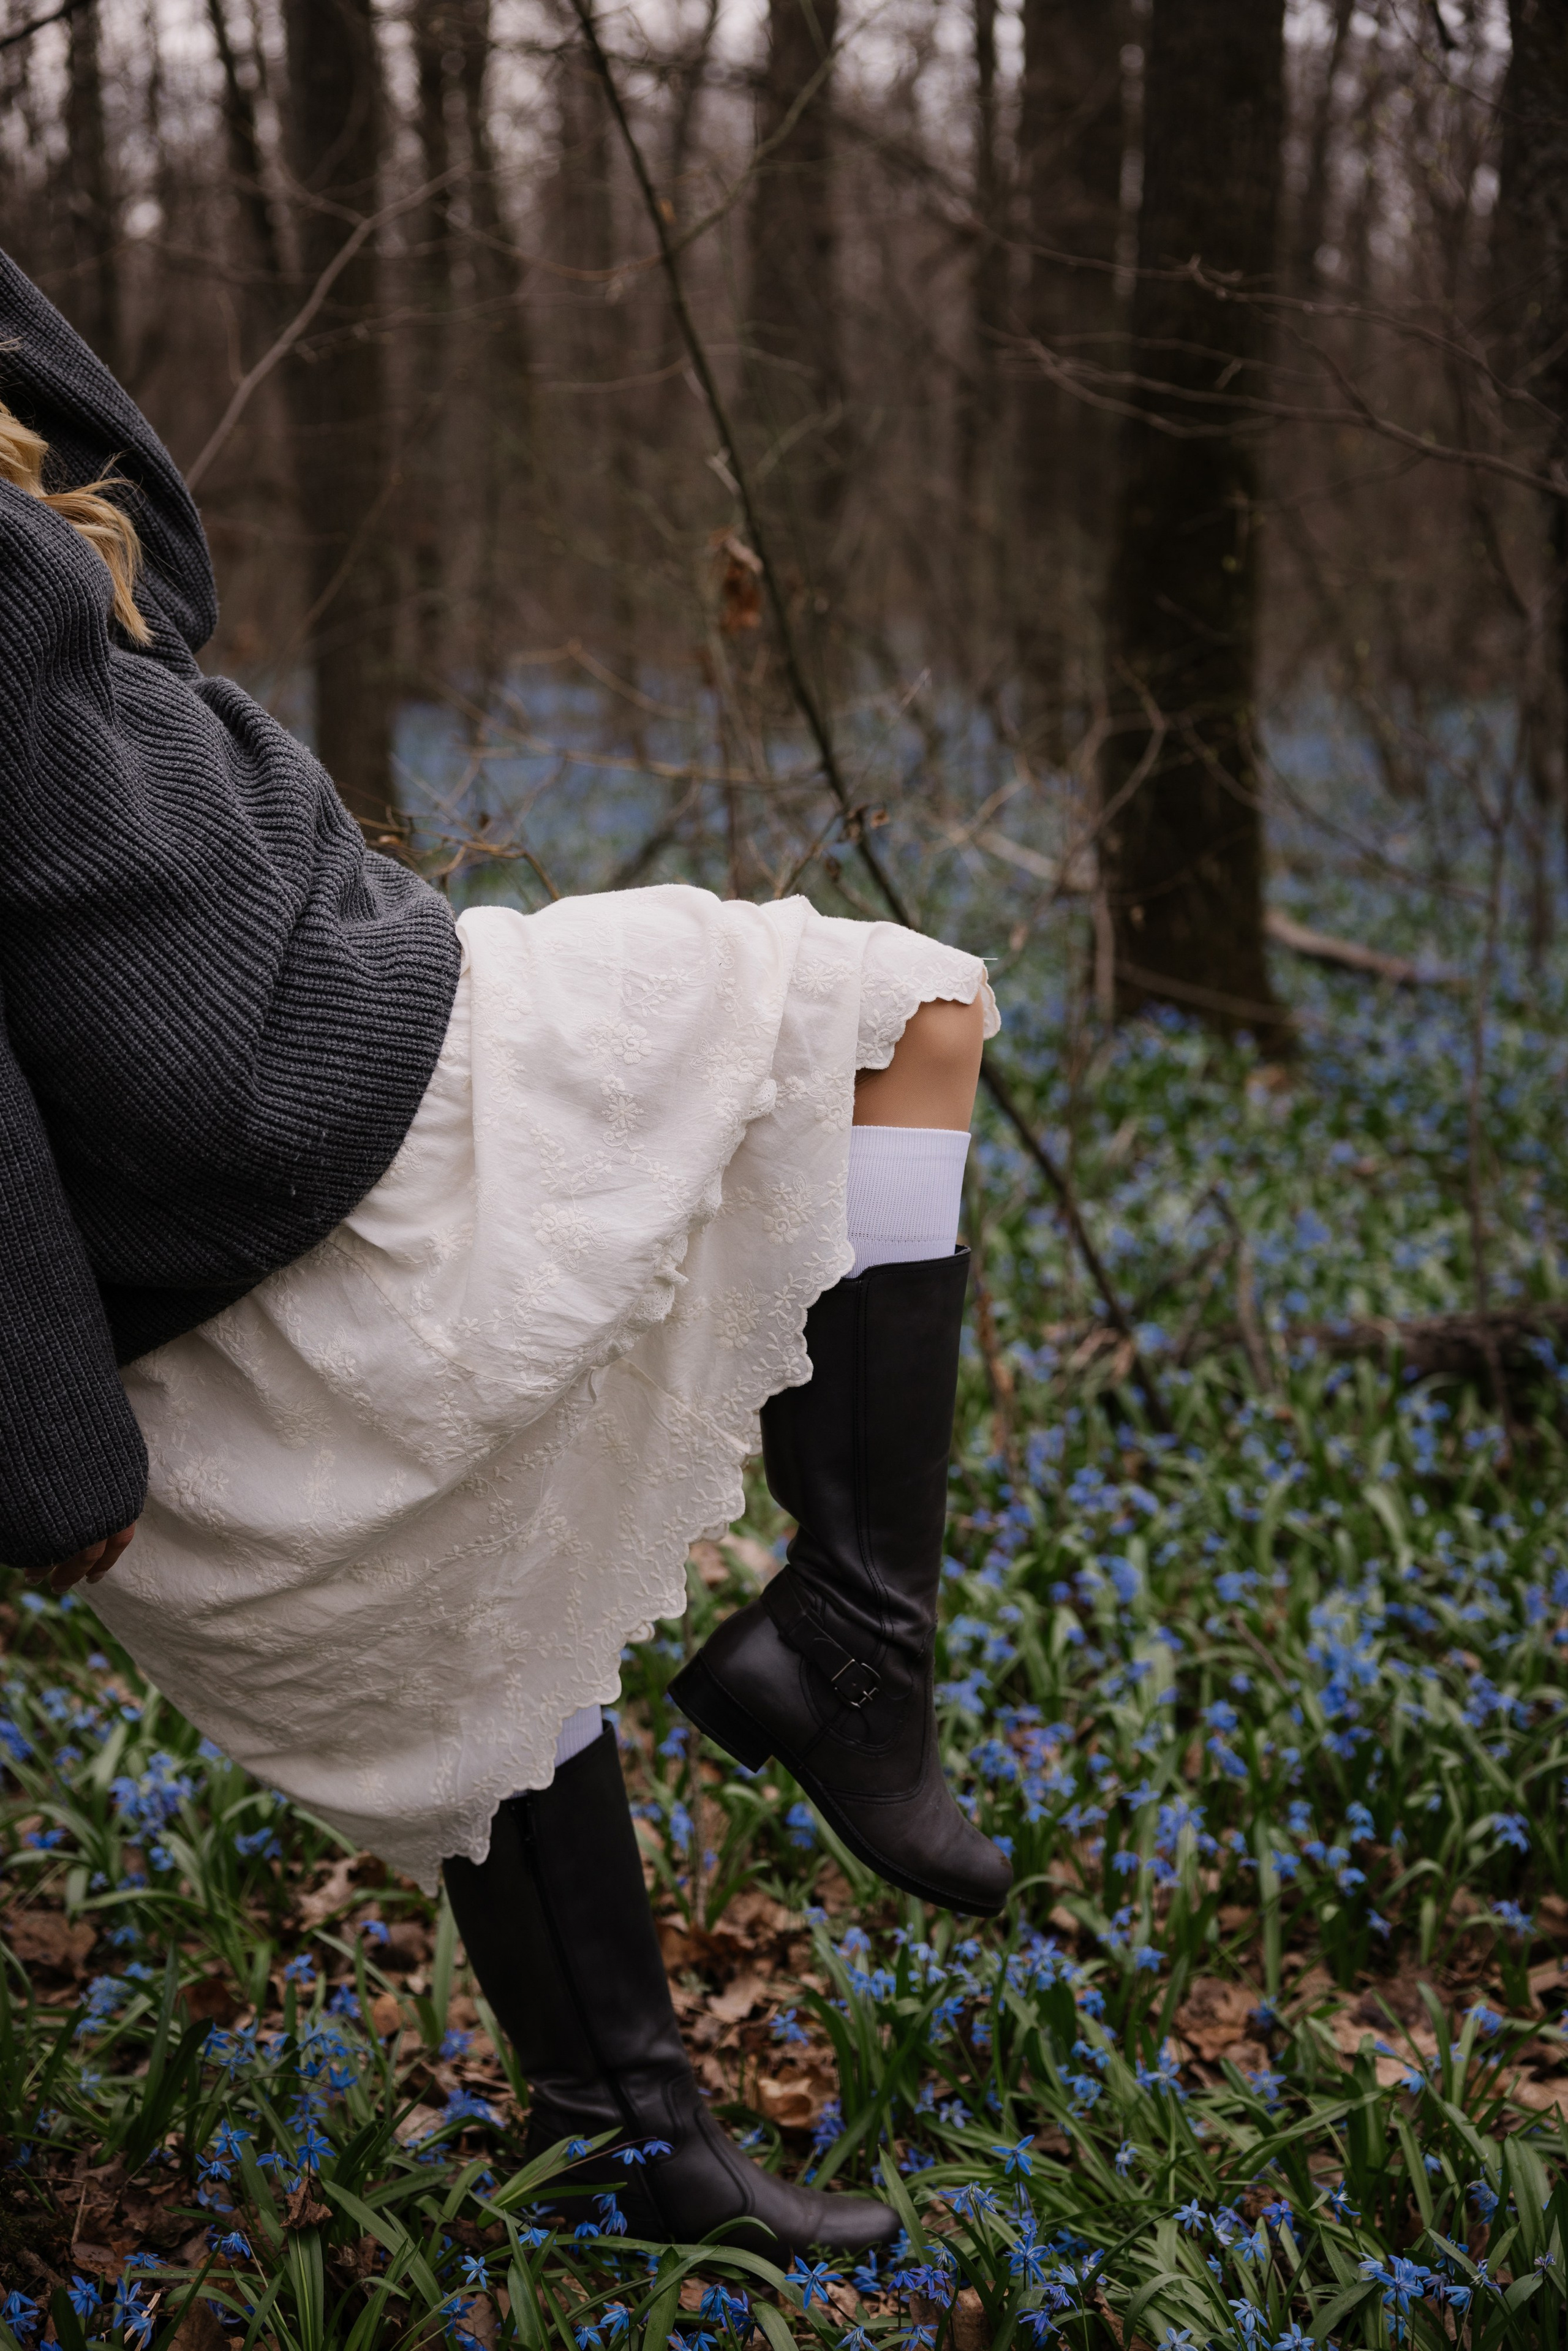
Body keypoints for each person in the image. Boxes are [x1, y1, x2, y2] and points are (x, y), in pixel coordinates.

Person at [0, 252, 1010, 2252]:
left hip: (363, 1013)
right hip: (277, 1118)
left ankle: (804, 1745)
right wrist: (44, 1438)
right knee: (896, 1022)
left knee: (896, 1037)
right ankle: (818, 1714)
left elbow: (162, 550)